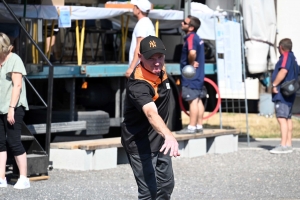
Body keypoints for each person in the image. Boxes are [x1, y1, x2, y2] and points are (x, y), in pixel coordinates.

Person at [121, 36, 180, 199]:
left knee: (166, 186)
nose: (157, 63)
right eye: (150, 58)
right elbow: (151, 113)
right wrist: (169, 135)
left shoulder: (159, 69)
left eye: (160, 57)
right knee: (149, 191)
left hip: (160, 140)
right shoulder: (138, 85)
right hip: (140, 143)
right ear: (140, 57)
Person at [0, 32, 30, 189]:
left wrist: (11, 109)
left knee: (13, 141)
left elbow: (17, 86)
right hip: (0, 107)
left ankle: (24, 178)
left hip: (13, 107)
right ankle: (1, 178)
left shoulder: (14, 60)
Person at [177, 15, 206, 134]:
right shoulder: (197, 37)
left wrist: (190, 64)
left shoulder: (191, 38)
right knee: (198, 100)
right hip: (199, 75)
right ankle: (199, 125)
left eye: (184, 22)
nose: (181, 23)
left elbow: (192, 52)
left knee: (192, 100)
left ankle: (191, 127)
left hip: (191, 76)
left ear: (191, 27)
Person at [270, 38, 298, 154]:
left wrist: (274, 84)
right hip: (290, 92)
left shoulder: (286, 56)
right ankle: (289, 144)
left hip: (283, 92)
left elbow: (283, 71)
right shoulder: (294, 58)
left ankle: (283, 145)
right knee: (288, 118)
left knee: (281, 118)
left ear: (281, 47)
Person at [125, 0, 155, 78]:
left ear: (139, 9)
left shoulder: (142, 24)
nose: (133, 9)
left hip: (140, 69)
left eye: (134, 7)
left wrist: (131, 67)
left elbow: (139, 46)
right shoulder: (147, 22)